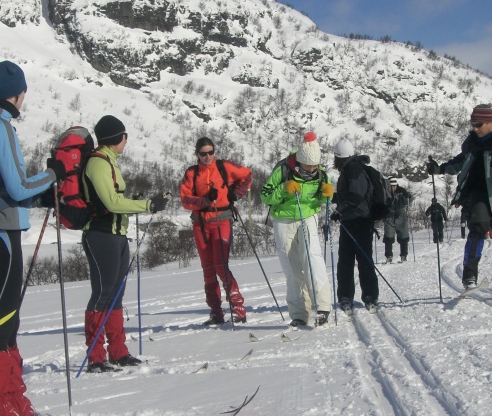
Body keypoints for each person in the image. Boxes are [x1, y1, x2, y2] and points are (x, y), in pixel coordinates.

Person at [0, 60, 65, 416]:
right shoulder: (0, 128)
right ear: (19, 93)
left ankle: (12, 401)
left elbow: (2, 188)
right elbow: (21, 185)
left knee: (8, 320)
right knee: (2, 321)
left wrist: (33, 199)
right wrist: (54, 173)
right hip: (0, 234)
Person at [82, 115, 169, 372]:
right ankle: (96, 357)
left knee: (116, 295)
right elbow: (111, 203)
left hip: (116, 234)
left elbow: (114, 200)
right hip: (101, 235)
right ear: (116, 138)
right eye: (124, 135)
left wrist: (139, 202)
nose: (126, 140)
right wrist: (147, 205)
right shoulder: (98, 163)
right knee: (102, 295)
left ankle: (118, 352)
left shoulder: (109, 161)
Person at [428, 104, 492, 297]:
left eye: (478, 124)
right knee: (478, 229)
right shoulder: (472, 141)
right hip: (478, 193)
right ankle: (469, 276)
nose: (475, 128)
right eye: (472, 124)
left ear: (490, 122)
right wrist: (439, 169)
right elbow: (460, 161)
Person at [260, 132, 333, 327]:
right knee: (291, 266)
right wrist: (284, 188)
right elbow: (265, 196)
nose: (312, 169)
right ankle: (299, 312)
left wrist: (327, 195)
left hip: (307, 216)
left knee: (312, 258)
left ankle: (323, 305)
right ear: (299, 162)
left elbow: (321, 199)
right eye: (308, 165)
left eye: (315, 165)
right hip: (283, 220)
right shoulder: (283, 170)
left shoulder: (321, 174)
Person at [180, 137, 252, 325]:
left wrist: (235, 193)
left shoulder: (224, 167)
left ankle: (238, 308)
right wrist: (204, 201)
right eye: (203, 153)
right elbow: (185, 199)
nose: (207, 156)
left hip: (222, 221)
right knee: (208, 269)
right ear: (197, 154)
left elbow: (247, 175)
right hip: (201, 224)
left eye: (210, 152)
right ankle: (216, 312)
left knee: (221, 265)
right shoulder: (192, 173)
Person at [330, 139, 380, 314]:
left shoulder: (354, 169)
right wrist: (334, 198)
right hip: (351, 221)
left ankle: (369, 296)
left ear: (338, 157)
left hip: (359, 221)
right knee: (346, 260)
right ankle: (347, 296)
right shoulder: (350, 169)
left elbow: (356, 197)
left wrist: (339, 210)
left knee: (361, 260)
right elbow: (349, 195)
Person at [382, 177, 411, 263]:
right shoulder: (385, 192)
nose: (393, 188)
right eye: (391, 186)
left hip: (401, 215)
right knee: (388, 237)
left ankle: (404, 256)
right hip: (389, 216)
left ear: (396, 185)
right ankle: (388, 257)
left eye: (394, 186)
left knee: (403, 236)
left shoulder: (402, 191)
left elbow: (409, 198)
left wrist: (408, 195)